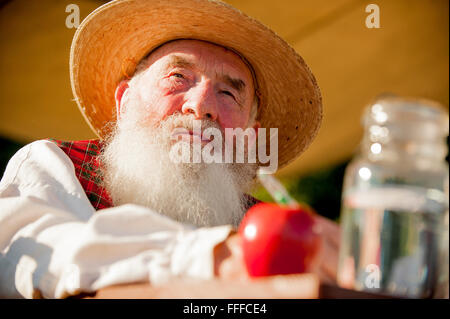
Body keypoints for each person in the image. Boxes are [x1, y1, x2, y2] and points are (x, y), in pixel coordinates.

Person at [0, 0, 340, 299]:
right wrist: (217, 257)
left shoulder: (269, 226)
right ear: (125, 101)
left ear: (249, 138)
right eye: (178, 77)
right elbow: (32, 254)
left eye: (229, 94)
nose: (201, 105)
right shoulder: (53, 164)